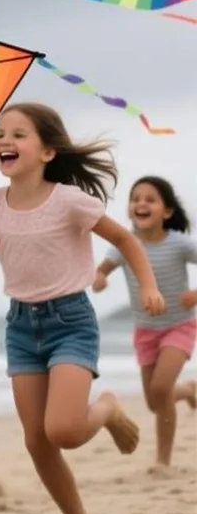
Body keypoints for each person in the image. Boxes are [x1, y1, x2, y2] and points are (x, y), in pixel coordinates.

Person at [0, 102, 164, 514]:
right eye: (1, 133)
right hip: (21, 327)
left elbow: (125, 241)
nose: (5, 140)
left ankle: (108, 407)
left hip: (71, 321)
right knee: (37, 441)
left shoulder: (69, 201)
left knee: (64, 431)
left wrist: (148, 285)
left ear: (47, 152)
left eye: (19, 134)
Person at [93, 175, 197, 470]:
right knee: (154, 401)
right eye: (135, 198)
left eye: (150, 199)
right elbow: (101, 271)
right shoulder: (124, 244)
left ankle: (163, 460)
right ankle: (189, 391)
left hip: (180, 326)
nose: (141, 203)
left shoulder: (180, 244)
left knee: (161, 387)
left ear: (166, 212)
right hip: (145, 331)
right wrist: (99, 279)